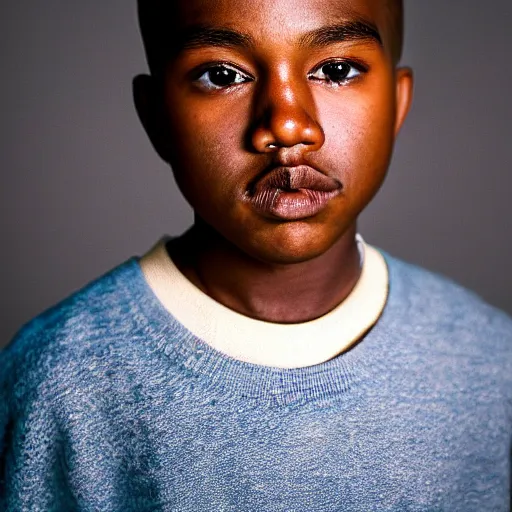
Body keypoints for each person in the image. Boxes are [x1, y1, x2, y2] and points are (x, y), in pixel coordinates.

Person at [1, 0, 511, 510]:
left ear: (397, 105)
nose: (288, 125)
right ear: (156, 117)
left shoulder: (493, 365)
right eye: (222, 75)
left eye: (336, 70)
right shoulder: (56, 382)